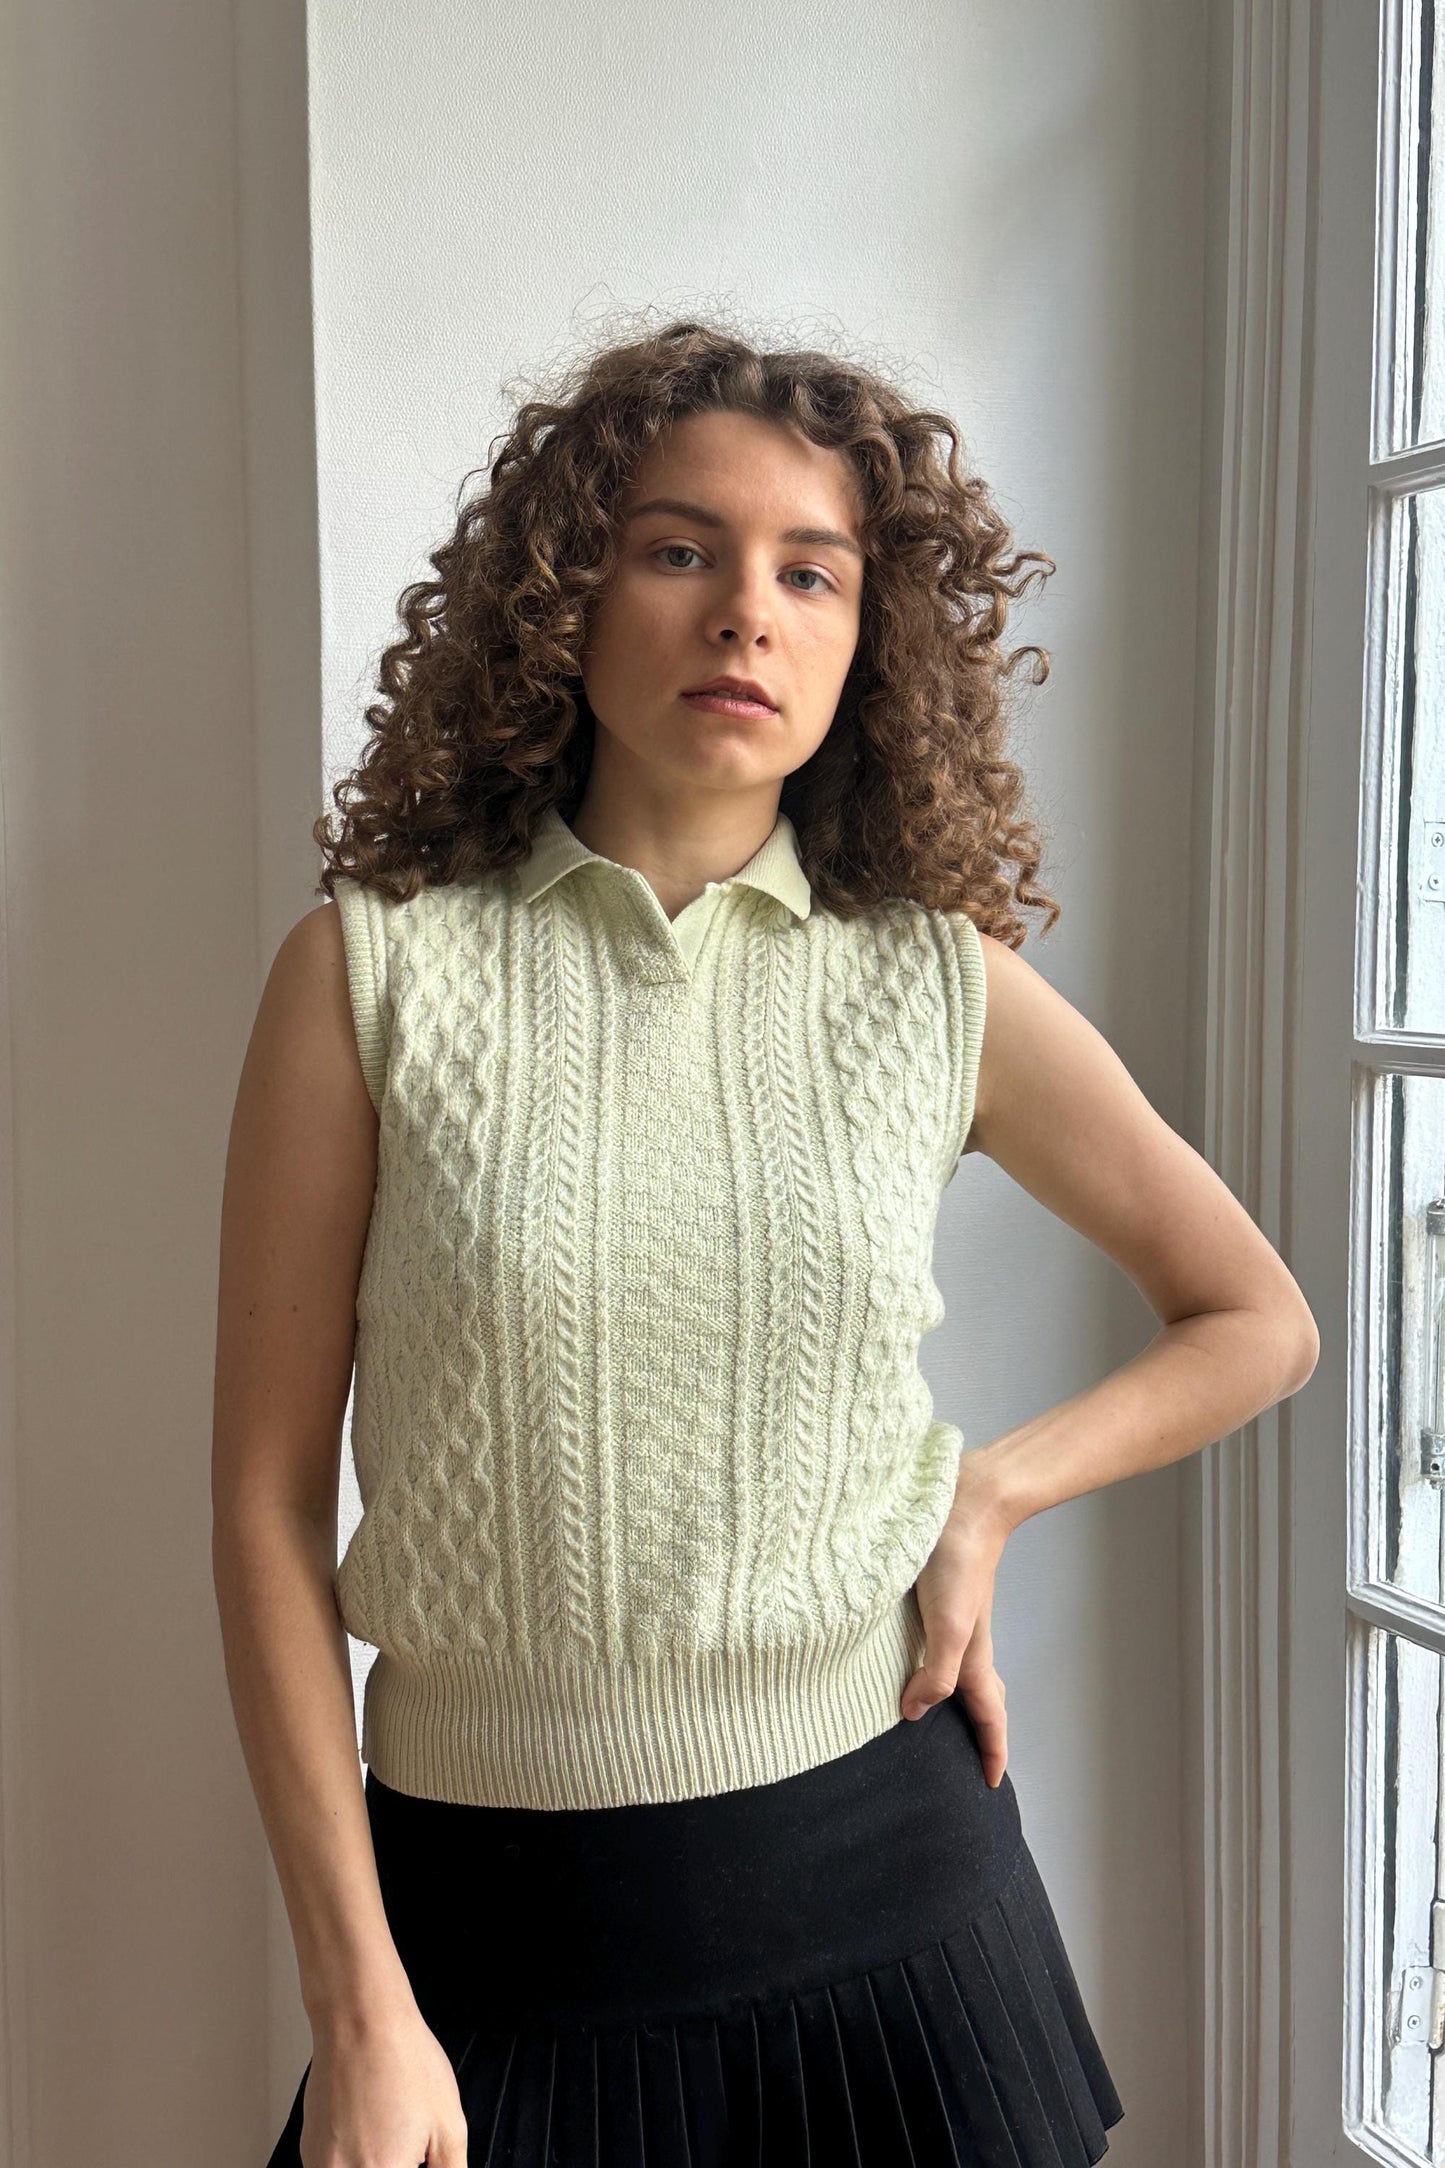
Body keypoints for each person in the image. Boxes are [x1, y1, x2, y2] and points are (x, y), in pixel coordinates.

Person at [212, 315, 1320, 2168]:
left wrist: (993, 1493)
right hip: (486, 1953)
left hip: (896, 1929)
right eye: (679, 550)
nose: (748, 612)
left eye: (810, 571)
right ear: (562, 599)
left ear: (863, 643)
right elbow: (261, 1503)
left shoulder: (933, 982)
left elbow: (1255, 1318)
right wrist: (358, 2005)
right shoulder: (371, 976)